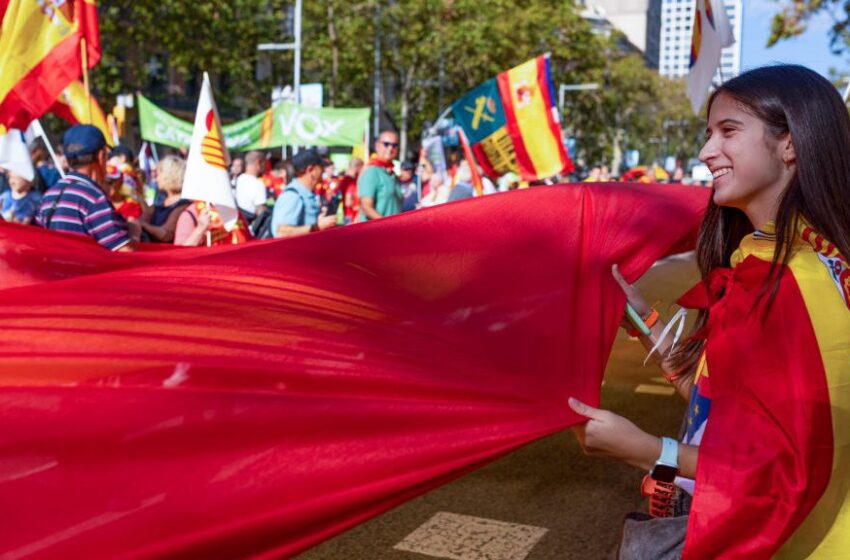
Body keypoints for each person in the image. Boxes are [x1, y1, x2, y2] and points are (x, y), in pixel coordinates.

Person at [568, 65, 850, 558]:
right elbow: (722, 402)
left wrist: (650, 451)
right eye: (707, 133)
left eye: (729, 131)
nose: (705, 152)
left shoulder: (791, 285)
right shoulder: (791, 260)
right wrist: (645, 321)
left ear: (791, 144)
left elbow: (780, 471)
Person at [35, 125, 134, 251]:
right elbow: (125, 252)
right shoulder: (94, 198)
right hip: (90, 271)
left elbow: (38, 241)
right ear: (101, 156)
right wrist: (134, 233)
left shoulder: (49, 195)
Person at [270, 149, 337, 238]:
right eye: (321, 167)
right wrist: (317, 227)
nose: (323, 171)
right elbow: (282, 233)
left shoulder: (303, 193)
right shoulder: (293, 196)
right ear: (311, 169)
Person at [140, 155, 191, 243]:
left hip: (167, 253)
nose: (156, 179)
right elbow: (144, 216)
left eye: (158, 174)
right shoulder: (161, 200)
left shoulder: (183, 204)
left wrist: (144, 225)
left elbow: (166, 235)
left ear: (169, 176)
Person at [358, 130, 402, 221]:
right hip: (376, 232)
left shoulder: (391, 173)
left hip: (392, 231)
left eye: (394, 145)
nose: (390, 148)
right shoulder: (372, 171)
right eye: (386, 144)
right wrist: (388, 225)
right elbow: (366, 208)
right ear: (377, 146)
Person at [234, 151, 269, 220]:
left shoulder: (237, 179)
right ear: (259, 163)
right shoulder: (258, 184)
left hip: (237, 225)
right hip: (250, 226)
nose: (265, 167)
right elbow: (261, 212)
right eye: (265, 163)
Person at [338, 157, 363, 224]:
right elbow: (348, 201)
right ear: (357, 167)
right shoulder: (350, 181)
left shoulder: (345, 179)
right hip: (351, 216)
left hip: (347, 215)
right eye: (362, 168)